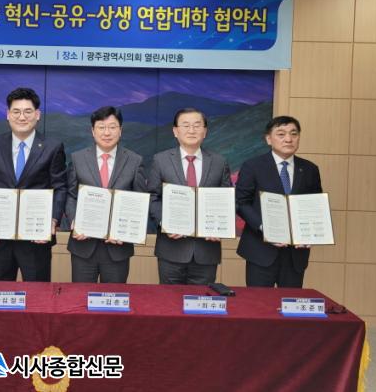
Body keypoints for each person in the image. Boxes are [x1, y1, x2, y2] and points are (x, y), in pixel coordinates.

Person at [0, 87, 67, 282]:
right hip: (0, 237)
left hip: (36, 238)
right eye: (16, 111)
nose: (22, 117)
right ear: (8, 114)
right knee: (0, 295)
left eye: (28, 111)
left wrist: (53, 220)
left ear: (37, 115)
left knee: (37, 295)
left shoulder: (52, 146)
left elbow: (60, 187)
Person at [148, 108, 232, 285]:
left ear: (205, 131)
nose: (191, 130)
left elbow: (228, 200)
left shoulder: (219, 162)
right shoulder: (160, 160)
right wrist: (165, 223)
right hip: (171, 249)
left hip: (206, 251)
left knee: (202, 300)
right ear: (175, 131)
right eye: (185, 125)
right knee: (168, 300)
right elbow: (152, 197)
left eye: (197, 125)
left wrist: (220, 227)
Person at [236, 115, 322, 288]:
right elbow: (241, 202)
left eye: (294, 134)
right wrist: (264, 227)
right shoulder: (252, 166)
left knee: (290, 301)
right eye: (281, 134)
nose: (288, 139)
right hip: (260, 250)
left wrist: (310, 233)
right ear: (269, 139)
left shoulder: (310, 169)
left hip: (295, 253)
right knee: (259, 302)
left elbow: (315, 205)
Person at [65, 106, 147, 283]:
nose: (107, 132)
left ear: (120, 130)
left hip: (118, 248)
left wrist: (126, 232)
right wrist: (74, 220)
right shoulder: (78, 158)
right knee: (81, 296)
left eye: (112, 127)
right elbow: (71, 195)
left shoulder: (134, 161)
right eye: (101, 127)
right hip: (83, 246)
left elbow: (140, 201)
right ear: (93, 131)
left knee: (114, 297)